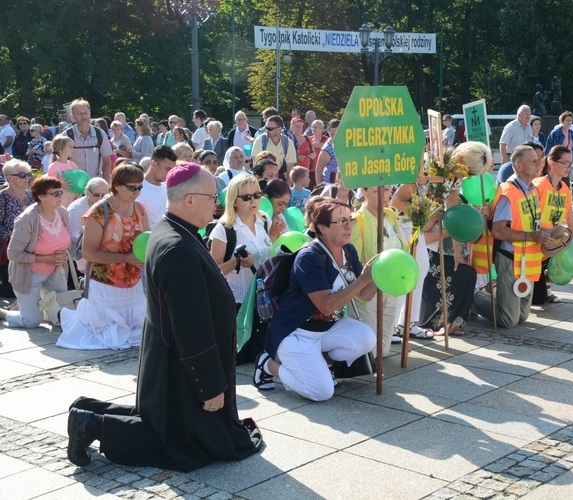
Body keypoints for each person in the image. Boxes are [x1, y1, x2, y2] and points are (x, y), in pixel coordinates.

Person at [65, 163, 262, 470]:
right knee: (174, 438)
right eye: (212, 197)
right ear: (190, 199)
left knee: (170, 423)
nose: (217, 203)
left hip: (171, 353)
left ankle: (87, 412)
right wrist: (209, 386)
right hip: (181, 360)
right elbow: (191, 325)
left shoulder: (174, 230)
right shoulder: (177, 246)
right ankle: (92, 424)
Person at [254, 200, 377, 401]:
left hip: (327, 328)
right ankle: (267, 363)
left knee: (366, 338)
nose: (349, 226)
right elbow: (326, 305)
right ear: (323, 228)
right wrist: (363, 279)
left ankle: (322, 363)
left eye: (350, 220)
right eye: (342, 221)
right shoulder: (309, 256)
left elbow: (365, 296)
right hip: (296, 332)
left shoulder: (348, 250)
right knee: (321, 392)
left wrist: (377, 275)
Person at [57, 164, 149, 350]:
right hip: (105, 283)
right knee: (104, 335)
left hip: (133, 281)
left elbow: (146, 239)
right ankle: (56, 313)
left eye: (140, 187)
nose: (137, 192)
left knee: (135, 331)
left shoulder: (139, 208)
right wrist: (127, 258)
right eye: (132, 187)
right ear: (116, 185)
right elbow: (89, 253)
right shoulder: (99, 212)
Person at [473, 145, 552, 328]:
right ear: (518, 166)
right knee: (508, 320)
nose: (539, 163)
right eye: (533, 161)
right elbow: (498, 231)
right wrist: (532, 236)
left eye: (539, 159)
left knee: (522, 317)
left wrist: (548, 234)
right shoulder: (508, 192)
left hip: (527, 260)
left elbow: (530, 222)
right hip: (511, 258)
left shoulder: (533, 189)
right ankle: (470, 296)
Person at [209, 174, 271, 364]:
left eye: (257, 194)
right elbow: (213, 272)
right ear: (234, 201)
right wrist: (236, 261)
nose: (253, 200)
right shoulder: (223, 229)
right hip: (237, 302)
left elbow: (269, 257)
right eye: (246, 197)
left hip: (261, 301)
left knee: (260, 354)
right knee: (239, 357)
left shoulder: (265, 220)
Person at [351, 186, 416, 356]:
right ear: (363, 193)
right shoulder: (358, 220)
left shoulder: (391, 214)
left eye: (386, 190)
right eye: (375, 191)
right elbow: (354, 262)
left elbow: (398, 246)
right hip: (370, 290)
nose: (383, 195)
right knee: (371, 351)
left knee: (384, 351)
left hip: (392, 286)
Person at [0, 176, 70, 328]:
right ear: (41, 197)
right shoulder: (26, 219)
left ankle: (41, 311)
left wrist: (64, 254)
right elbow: (13, 254)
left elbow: (65, 241)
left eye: (61, 192)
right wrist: (47, 258)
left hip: (56, 273)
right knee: (31, 322)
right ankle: (3, 313)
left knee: (61, 319)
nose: (60, 196)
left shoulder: (63, 213)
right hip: (29, 276)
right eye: (55, 194)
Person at [531, 146, 573, 304]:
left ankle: (546, 283)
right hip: (535, 245)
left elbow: (572, 222)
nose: (570, 167)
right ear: (552, 163)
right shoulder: (538, 185)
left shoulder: (565, 189)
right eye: (565, 163)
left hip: (553, 245)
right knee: (538, 301)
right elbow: (528, 219)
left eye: (571, 163)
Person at [420, 209, 476, 335]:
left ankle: (454, 322)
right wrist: (447, 229)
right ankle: (436, 322)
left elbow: (472, 237)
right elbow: (423, 237)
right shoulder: (430, 206)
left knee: (467, 274)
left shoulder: (458, 205)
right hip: (431, 255)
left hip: (453, 255)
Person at [0, 160, 36, 297]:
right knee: (11, 292)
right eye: (22, 175)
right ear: (9, 178)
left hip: (32, 247)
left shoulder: (32, 196)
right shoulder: (2, 198)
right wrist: (11, 235)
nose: (27, 178)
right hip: (10, 250)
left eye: (28, 174)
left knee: (31, 286)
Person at [67, 177, 108, 272]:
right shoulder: (76, 210)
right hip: (78, 258)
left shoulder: (107, 205)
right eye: (96, 195)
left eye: (104, 195)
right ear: (86, 191)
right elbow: (74, 238)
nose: (100, 199)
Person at [67, 99, 113, 180]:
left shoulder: (100, 134)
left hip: (95, 185)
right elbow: (59, 161)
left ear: (90, 114)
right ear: (73, 116)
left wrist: (105, 184)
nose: (83, 116)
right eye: (79, 113)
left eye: (85, 113)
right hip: (73, 185)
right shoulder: (67, 135)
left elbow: (107, 162)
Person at [139, 146, 177, 229]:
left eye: (172, 170)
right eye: (167, 169)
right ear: (153, 164)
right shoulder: (137, 190)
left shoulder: (168, 188)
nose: (170, 173)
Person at [251, 115, 296, 181]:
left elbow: (290, 168)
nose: (267, 131)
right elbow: (255, 165)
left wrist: (288, 187)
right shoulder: (260, 141)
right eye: (266, 128)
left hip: (278, 175)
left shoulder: (288, 143)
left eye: (270, 129)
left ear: (279, 129)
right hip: (262, 176)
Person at [545, 111, 573, 176]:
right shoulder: (555, 133)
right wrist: (547, 162)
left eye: (571, 120)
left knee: (566, 182)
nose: (569, 122)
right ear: (562, 121)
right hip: (558, 161)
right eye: (567, 120)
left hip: (568, 162)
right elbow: (549, 147)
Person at [48, 134, 80, 208]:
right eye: (70, 147)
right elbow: (50, 185)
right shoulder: (54, 166)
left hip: (73, 200)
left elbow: (78, 180)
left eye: (73, 147)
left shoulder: (73, 164)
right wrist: (61, 185)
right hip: (60, 201)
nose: (73, 149)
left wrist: (79, 193)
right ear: (60, 149)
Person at [315, 119, 340, 185]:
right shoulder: (327, 149)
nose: (335, 137)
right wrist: (319, 188)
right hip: (329, 184)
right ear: (328, 132)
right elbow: (318, 171)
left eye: (338, 134)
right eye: (332, 134)